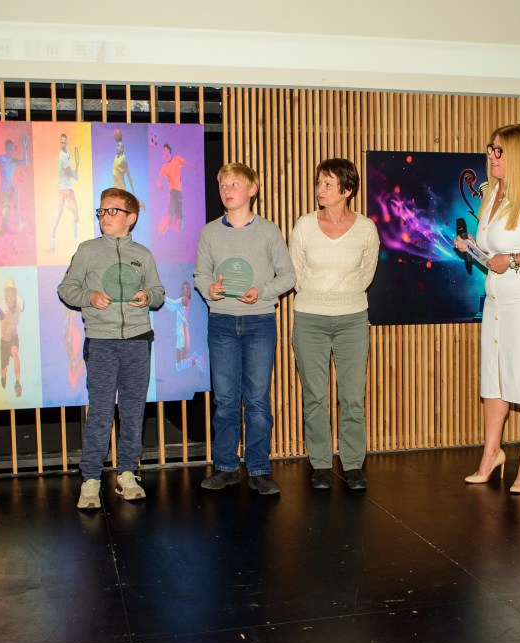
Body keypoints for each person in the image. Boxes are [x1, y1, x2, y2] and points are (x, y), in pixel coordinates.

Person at [455, 123, 520, 494]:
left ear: (517, 155)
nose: (492, 156)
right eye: (491, 148)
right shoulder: (492, 194)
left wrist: (512, 259)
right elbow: (494, 256)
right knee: (494, 377)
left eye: (499, 150)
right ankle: (492, 454)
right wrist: (472, 248)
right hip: (498, 299)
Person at [58, 188, 165, 510]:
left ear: (131, 218)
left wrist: (148, 296)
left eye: (112, 211)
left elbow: (159, 293)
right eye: (101, 211)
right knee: (101, 411)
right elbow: (66, 288)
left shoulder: (143, 254)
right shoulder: (88, 251)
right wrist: (89, 297)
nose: (105, 216)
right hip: (101, 341)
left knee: (133, 411)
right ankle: (91, 478)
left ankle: (127, 473)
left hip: (138, 340)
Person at [194, 163, 296, 495]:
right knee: (224, 400)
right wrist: (210, 289)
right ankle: (225, 467)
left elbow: (288, 276)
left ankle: (259, 469)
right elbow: (201, 275)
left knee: (257, 400)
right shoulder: (210, 232)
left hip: (259, 322)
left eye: (235, 184)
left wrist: (261, 291)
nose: (227, 190)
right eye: (223, 184)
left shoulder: (269, 231)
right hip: (221, 321)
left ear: (252, 189)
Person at [289, 159, 380, 492]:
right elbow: (295, 273)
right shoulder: (304, 225)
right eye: (319, 182)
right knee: (315, 397)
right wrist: (320, 297)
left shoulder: (366, 229)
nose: (320, 189)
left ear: (348, 189)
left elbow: (367, 274)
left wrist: (344, 295)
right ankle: (321, 464)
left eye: (328, 184)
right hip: (309, 318)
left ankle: (353, 464)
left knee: (352, 396)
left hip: (352, 318)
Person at [50, 133, 80, 253]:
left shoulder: (66, 151)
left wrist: (73, 173)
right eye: (61, 142)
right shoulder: (62, 156)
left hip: (69, 188)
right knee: (59, 212)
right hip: (62, 189)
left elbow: (69, 170)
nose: (63, 144)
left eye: (65, 142)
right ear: (60, 143)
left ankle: (75, 234)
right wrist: (75, 175)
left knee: (76, 216)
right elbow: (68, 172)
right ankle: (52, 237)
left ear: (67, 143)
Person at [0, 279, 24, 398]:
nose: (10, 295)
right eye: (8, 292)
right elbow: (3, 329)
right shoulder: (1, 306)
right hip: (5, 340)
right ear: (5, 293)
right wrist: (6, 314)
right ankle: (3, 376)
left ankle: (17, 382)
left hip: (14, 337)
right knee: (4, 369)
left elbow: (19, 312)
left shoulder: (20, 302)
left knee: (15, 352)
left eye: (12, 291)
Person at [156, 143, 191, 234]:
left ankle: (168, 224)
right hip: (172, 192)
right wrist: (159, 184)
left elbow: (186, 164)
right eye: (162, 152)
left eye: (164, 150)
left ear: (169, 150)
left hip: (179, 193)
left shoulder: (176, 159)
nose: (163, 153)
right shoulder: (164, 167)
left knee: (180, 225)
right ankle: (164, 227)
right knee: (170, 215)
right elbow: (159, 179)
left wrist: (195, 167)